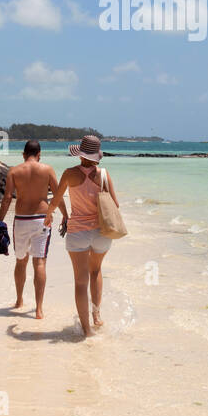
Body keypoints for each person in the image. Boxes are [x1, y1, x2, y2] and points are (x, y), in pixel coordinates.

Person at [45, 135, 118, 338]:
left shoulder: (69, 174)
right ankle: (96, 316)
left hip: (77, 232)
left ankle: (86, 330)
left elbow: (56, 199)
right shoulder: (103, 174)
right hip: (102, 233)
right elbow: (115, 205)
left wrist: (49, 215)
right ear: (96, 156)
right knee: (96, 271)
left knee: (80, 281)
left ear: (80, 155)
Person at [0, 140, 66, 319]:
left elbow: (6, 198)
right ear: (39, 153)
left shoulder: (14, 171)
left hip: (21, 220)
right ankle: (39, 309)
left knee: (21, 261)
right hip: (41, 221)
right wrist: (66, 216)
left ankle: (19, 300)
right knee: (40, 263)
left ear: (23, 154)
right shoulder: (47, 169)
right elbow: (58, 196)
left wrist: (0, 222)